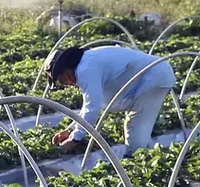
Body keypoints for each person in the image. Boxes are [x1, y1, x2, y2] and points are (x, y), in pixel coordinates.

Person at [44, 45, 176, 153]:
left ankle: (137, 166)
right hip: (153, 75)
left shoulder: (86, 69)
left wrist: (75, 139)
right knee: (139, 129)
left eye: (60, 79)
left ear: (65, 70)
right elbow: (88, 107)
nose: (64, 84)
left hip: (154, 77)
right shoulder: (87, 62)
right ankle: (147, 157)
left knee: (135, 129)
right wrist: (70, 130)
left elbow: (92, 109)